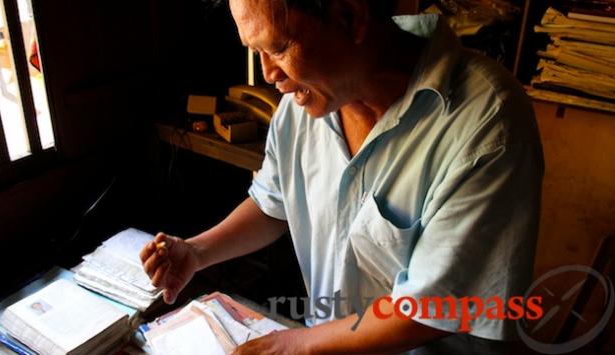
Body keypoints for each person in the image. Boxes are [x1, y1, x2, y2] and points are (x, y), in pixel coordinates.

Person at [140, 0, 544, 353]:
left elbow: (429, 308)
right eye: (256, 51)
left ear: (350, 17)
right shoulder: (303, 104)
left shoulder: (487, 122)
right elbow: (273, 205)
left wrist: (295, 345)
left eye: (278, 48)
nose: (268, 74)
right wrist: (197, 252)